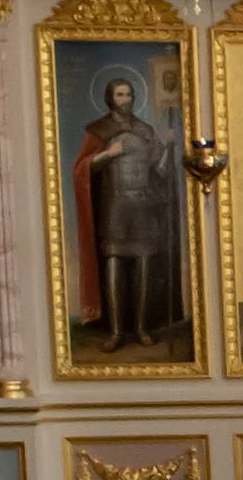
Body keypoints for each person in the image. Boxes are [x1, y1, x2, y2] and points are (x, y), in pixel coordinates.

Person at [71, 66, 180, 350]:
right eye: (120, 94)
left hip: (143, 206)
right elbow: (83, 167)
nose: (126, 98)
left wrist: (168, 147)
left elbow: (158, 170)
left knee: (144, 264)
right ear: (110, 98)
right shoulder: (99, 130)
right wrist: (109, 154)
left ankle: (142, 328)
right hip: (116, 208)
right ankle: (117, 332)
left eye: (129, 94)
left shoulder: (146, 131)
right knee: (115, 265)